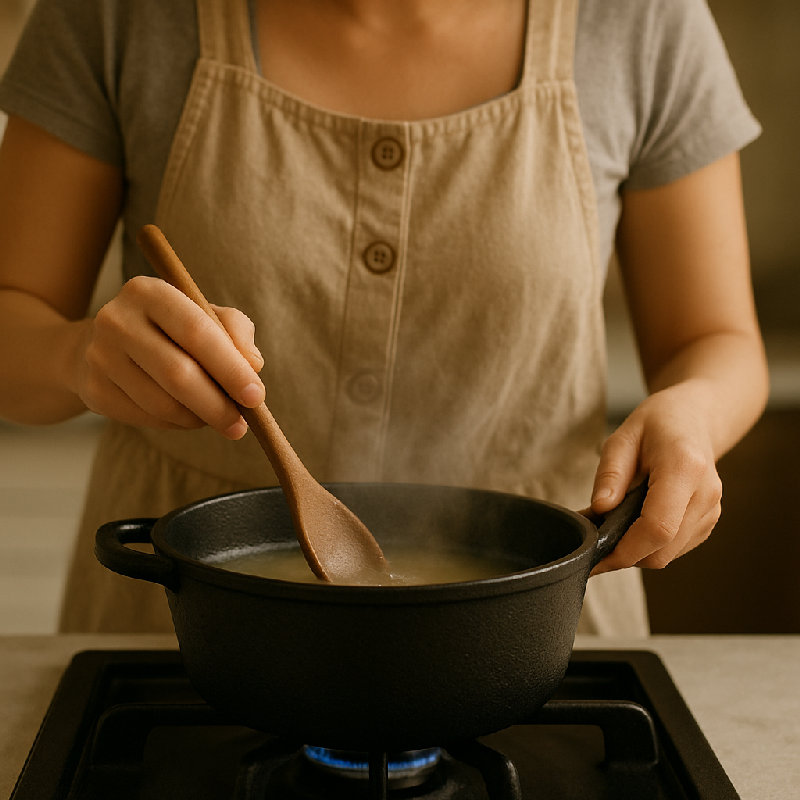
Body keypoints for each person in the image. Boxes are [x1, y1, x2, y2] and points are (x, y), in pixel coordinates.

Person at [0, 0, 768, 635]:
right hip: (183, 619)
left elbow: (717, 342)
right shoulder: (112, 14)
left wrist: (693, 414)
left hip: (534, 621)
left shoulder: (643, 21)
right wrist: (78, 358)